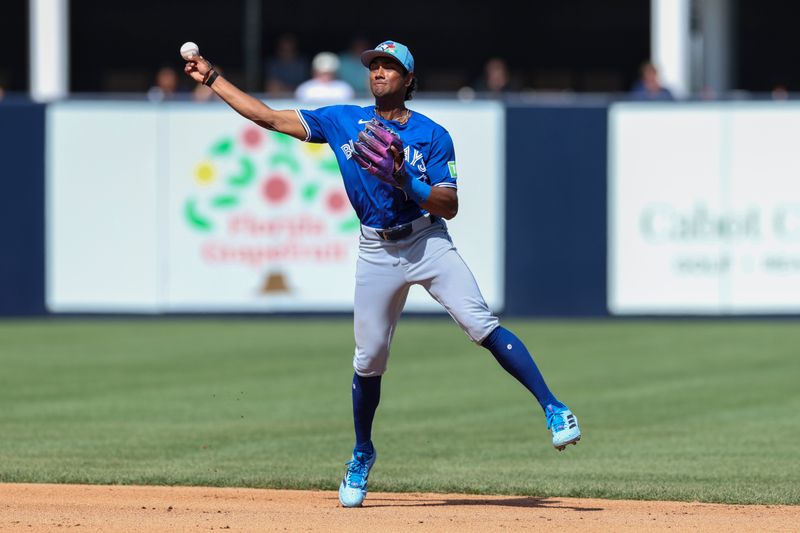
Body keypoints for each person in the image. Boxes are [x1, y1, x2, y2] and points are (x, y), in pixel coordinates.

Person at [183, 39, 581, 508]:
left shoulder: (433, 135)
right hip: (376, 248)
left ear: (409, 80)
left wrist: (405, 180)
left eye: (390, 66)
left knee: (480, 322)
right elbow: (267, 117)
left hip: (426, 240)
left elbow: (448, 205)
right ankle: (362, 452)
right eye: (374, 65)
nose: (379, 72)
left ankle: (554, 408)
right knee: (369, 358)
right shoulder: (343, 120)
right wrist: (212, 78)